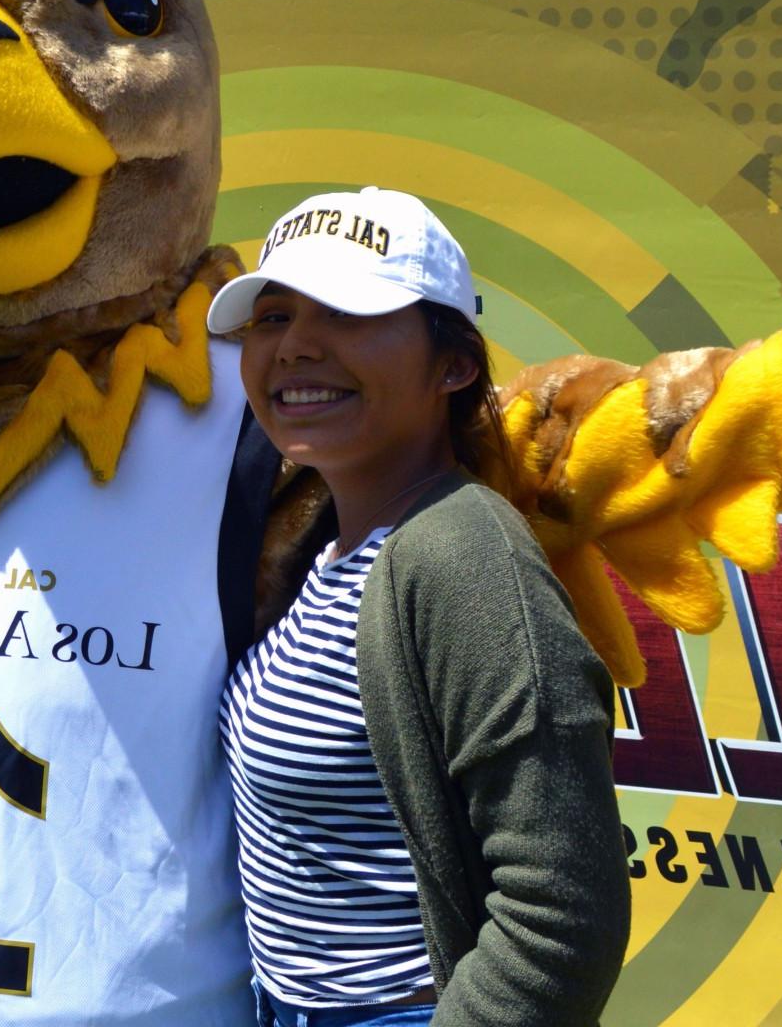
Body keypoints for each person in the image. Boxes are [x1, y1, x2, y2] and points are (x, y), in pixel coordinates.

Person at [207, 188, 631, 1027]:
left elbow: (562, 918)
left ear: (453, 365)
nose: (296, 347)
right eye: (273, 317)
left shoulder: (461, 552)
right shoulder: (326, 554)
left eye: (348, 313)